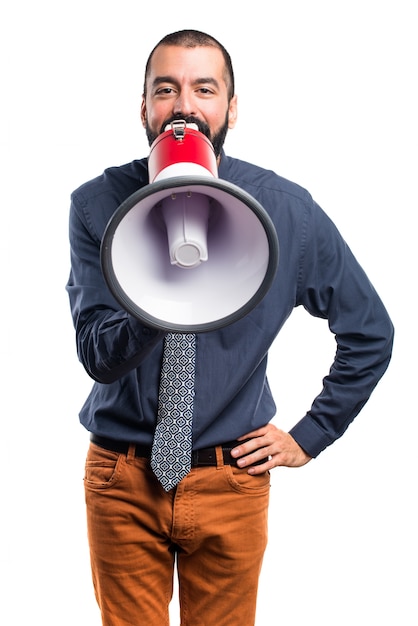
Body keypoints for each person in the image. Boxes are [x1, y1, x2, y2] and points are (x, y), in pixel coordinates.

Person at [66, 29, 394, 626]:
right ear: (144, 108)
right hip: (123, 480)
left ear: (231, 109)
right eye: (166, 89)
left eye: (204, 89)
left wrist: (311, 434)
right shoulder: (96, 204)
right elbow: (97, 354)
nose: (184, 107)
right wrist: (157, 290)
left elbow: (370, 331)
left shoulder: (286, 211)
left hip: (232, 481)